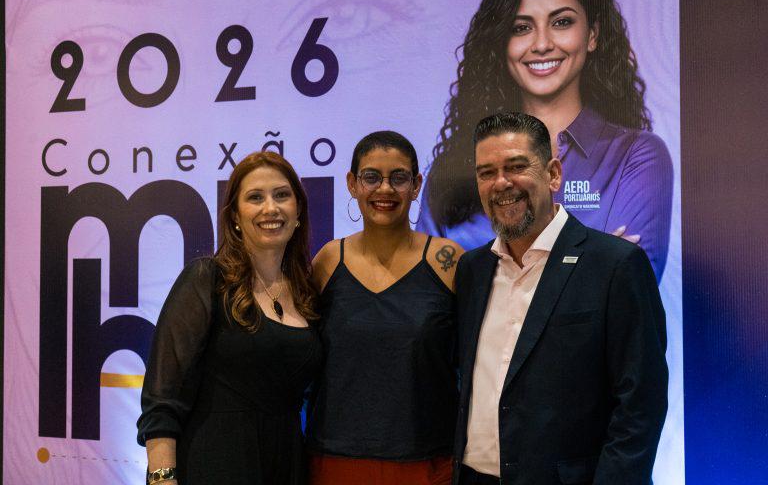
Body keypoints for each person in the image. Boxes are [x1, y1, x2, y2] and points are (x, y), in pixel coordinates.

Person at [454, 112, 667, 485]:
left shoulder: (615, 265)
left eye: (516, 167)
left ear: (553, 174)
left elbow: (640, 403)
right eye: (487, 173)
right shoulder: (473, 269)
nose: (501, 183)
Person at [419, 0, 673, 281]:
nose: (541, 44)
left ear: (592, 35)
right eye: (521, 27)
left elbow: (629, 288)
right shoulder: (453, 169)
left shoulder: (636, 156)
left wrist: (483, 279)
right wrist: (592, 264)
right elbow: (430, 293)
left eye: (561, 22)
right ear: (502, 42)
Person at [137, 152, 321, 485]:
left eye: (282, 195)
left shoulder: (307, 293)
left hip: (288, 463)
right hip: (215, 463)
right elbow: (162, 399)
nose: (271, 208)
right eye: (255, 197)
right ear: (235, 216)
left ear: (298, 212)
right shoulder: (206, 279)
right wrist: (162, 477)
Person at [306, 131, 463, 485]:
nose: (385, 189)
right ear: (352, 183)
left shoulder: (447, 260)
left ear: (416, 184)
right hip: (336, 461)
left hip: (428, 462)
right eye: (372, 177)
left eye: (399, 178)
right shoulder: (328, 261)